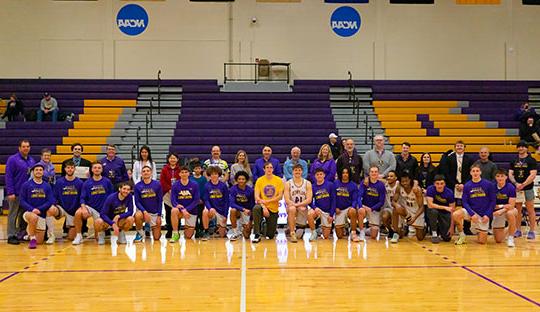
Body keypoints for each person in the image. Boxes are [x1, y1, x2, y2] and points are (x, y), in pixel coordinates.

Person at [453, 165, 496, 245]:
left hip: (483, 215)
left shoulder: (488, 184)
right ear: (470, 173)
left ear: (480, 172)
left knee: (482, 242)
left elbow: (493, 201)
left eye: (477, 171)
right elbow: (464, 202)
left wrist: (487, 215)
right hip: (471, 212)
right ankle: (462, 235)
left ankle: (479, 230)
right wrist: (472, 214)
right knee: (456, 215)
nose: (475, 173)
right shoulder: (467, 185)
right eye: (473, 171)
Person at [73, 162, 114, 245]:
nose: (97, 169)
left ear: (102, 170)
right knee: (78, 213)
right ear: (91, 169)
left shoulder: (107, 182)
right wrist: (84, 208)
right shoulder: (87, 183)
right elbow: (82, 198)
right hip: (91, 208)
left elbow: (112, 197)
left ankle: (101, 232)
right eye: (95, 168)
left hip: (104, 210)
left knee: (98, 238)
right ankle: (78, 235)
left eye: (99, 168)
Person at [19, 163, 57, 248]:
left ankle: (29, 233)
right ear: (32, 172)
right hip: (29, 213)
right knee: (33, 217)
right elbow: (22, 201)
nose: (38, 172)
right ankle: (32, 238)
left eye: (40, 170)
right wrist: (32, 209)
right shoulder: (26, 185)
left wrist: (40, 209)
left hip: (41, 213)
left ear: (43, 172)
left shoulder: (47, 185)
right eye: (36, 170)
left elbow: (50, 200)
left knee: (39, 241)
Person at [6, 140, 36, 245]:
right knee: (13, 214)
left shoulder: (32, 160)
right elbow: (9, 176)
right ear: (19, 148)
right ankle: (11, 235)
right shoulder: (12, 160)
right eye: (24, 146)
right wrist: (10, 192)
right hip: (16, 192)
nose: (26, 148)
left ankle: (21, 233)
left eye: (28, 146)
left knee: (23, 215)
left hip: (27, 194)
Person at [509, 140, 537, 240]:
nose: (521, 148)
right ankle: (518, 230)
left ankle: (532, 231)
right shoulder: (514, 160)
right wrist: (516, 184)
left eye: (523, 146)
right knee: (518, 210)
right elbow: (510, 174)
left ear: (526, 148)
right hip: (517, 189)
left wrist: (524, 184)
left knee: (530, 210)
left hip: (528, 188)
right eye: (519, 146)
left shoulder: (531, 160)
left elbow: (533, 174)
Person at [170, 166, 207, 242]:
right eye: (182, 172)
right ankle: (175, 233)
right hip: (180, 211)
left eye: (186, 172)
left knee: (189, 236)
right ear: (179, 174)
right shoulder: (175, 185)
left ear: (189, 174)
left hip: (191, 210)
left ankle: (187, 228)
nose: (184, 174)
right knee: (174, 210)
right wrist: (182, 210)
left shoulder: (194, 184)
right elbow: (173, 200)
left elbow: (196, 200)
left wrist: (186, 209)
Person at [252, 161, 284, 243]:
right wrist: (264, 207)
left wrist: (267, 201)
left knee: (270, 235)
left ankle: (263, 225)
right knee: (256, 208)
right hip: (262, 206)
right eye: (267, 167)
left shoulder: (279, 180)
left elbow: (280, 197)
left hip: (273, 208)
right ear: (264, 169)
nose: (269, 169)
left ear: (273, 169)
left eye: (271, 167)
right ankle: (257, 234)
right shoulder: (259, 180)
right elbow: (256, 197)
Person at [391, 170, 425, 243]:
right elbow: (393, 201)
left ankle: (423, 226)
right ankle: (396, 233)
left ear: (410, 180)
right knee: (396, 209)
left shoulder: (417, 189)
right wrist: (396, 205)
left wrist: (414, 218)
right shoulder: (399, 187)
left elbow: (422, 207)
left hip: (416, 212)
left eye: (406, 181)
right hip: (405, 210)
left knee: (420, 238)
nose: (405, 183)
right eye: (403, 181)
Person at [53, 161, 83, 243]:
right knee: (50, 209)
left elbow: (82, 197)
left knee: (71, 238)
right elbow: (55, 196)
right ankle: (50, 234)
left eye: (72, 168)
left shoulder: (79, 182)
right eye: (68, 167)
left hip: (73, 210)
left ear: (74, 169)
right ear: (65, 169)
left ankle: (72, 229)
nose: (70, 169)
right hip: (61, 208)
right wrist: (55, 205)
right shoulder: (59, 182)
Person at [283, 164, 313, 243]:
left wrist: (299, 205)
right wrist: (295, 205)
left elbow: (309, 199)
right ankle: (292, 232)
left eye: (299, 170)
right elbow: (286, 199)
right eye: (295, 170)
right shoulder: (288, 183)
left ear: (302, 172)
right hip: (292, 207)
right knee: (292, 209)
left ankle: (294, 227)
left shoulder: (307, 183)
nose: (297, 172)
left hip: (303, 209)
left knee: (299, 236)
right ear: (292, 171)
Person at [134, 165, 163, 242]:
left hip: (154, 213)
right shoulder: (137, 186)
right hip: (144, 213)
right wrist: (144, 212)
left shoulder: (157, 184)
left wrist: (159, 216)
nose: (146, 172)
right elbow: (137, 202)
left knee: (157, 238)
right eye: (144, 171)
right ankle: (139, 233)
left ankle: (151, 227)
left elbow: (160, 201)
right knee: (137, 215)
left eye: (147, 171)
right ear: (141, 174)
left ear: (151, 173)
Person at [439, 141, 474, 206]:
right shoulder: (449, 158)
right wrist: (455, 184)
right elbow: (447, 173)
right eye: (457, 146)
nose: (459, 147)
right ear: (455, 147)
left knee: (466, 204)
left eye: (461, 146)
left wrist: (464, 184)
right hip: (452, 185)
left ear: (464, 147)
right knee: (452, 204)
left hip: (465, 185)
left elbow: (471, 173)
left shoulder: (470, 159)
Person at [357, 166, 386, 241]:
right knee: (360, 210)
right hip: (365, 207)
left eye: (375, 172)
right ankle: (362, 232)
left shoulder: (381, 185)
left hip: (374, 209)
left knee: (373, 236)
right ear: (369, 173)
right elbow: (359, 196)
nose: (374, 173)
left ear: (378, 173)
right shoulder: (364, 182)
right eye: (372, 172)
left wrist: (372, 208)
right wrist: (361, 206)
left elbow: (381, 202)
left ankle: (368, 229)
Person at [425, 175, 455, 243]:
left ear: (444, 184)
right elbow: (430, 205)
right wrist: (444, 207)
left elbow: (452, 210)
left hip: (445, 213)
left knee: (447, 238)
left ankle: (441, 229)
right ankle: (434, 233)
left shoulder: (449, 192)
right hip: (434, 211)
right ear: (434, 184)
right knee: (433, 211)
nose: (439, 186)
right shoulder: (430, 189)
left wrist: (452, 227)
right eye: (437, 184)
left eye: (441, 183)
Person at [308, 168, 336, 241]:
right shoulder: (313, 186)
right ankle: (314, 232)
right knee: (310, 214)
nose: (319, 176)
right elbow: (310, 201)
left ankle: (319, 230)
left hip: (327, 212)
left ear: (324, 175)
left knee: (326, 236)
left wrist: (331, 215)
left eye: (321, 174)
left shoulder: (330, 185)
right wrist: (314, 208)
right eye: (317, 174)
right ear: (315, 176)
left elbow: (333, 200)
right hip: (318, 211)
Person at [493, 169, 518, 247]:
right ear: (495, 177)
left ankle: (511, 238)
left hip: (509, 210)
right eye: (498, 176)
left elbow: (511, 205)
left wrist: (501, 208)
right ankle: (511, 227)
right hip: (497, 211)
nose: (500, 178)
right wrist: (502, 206)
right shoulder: (492, 187)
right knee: (498, 240)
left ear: (506, 177)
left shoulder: (510, 187)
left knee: (510, 213)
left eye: (502, 176)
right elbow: (492, 204)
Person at [204, 166, 230, 239]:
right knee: (205, 212)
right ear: (209, 175)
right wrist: (210, 208)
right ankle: (206, 231)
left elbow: (226, 201)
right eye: (212, 174)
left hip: (221, 211)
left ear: (219, 175)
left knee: (222, 235)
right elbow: (206, 200)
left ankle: (221, 228)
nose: (214, 175)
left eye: (215, 174)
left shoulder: (223, 186)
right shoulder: (207, 185)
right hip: (212, 210)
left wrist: (225, 214)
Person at [160, 153, 181, 239]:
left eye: (174, 158)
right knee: (168, 212)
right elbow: (162, 181)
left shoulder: (180, 169)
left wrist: (176, 190)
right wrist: (169, 189)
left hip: (178, 194)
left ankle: (177, 230)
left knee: (177, 212)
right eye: (171, 158)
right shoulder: (164, 169)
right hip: (167, 194)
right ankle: (169, 230)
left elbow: (182, 180)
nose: (172, 160)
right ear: (168, 159)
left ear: (177, 159)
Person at [334, 167, 359, 241]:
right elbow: (333, 198)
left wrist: (353, 207)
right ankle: (345, 227)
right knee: (339, 236)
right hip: (339, 209)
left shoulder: (353, 185)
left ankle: (353, 233)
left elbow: (355, 199)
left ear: (349, 174)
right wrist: (335, 207)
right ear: (340, 174)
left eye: (346, 173)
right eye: (343, 173)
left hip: (348, 208)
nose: (345, 175)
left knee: (353, 211)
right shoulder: (335, 183)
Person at [229, 171, 256, 240]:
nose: (241, 181)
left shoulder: (250, 190)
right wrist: (243, 209)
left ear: (246, 180)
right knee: (232, 210)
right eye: (239, 179)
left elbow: (253, 205)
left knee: (247, 236)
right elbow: (232, 204)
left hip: (247, 212)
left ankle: (244, 227)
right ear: (236, 180)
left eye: (243, 179)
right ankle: (235, 233)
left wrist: (250, 221)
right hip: (238, 211)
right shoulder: (233, 189)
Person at [189, 160, 207, 238]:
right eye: (196, 169)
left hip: (201, 201)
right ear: (193, 170)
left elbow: (204, 189)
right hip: (193, 201)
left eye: (199, 168)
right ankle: (197, 230)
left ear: (201, 169)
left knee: (201, 215)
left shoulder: (203, 179)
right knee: (195, 216)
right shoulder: (191, 179)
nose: (197, 170)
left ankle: (202, 229)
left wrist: (202, 199)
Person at [381, 170, 399, 239]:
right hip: (388, 207)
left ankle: (400, 229)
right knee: (384, 216)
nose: (389, 177)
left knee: (400, 235)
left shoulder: (399, 185)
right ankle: (390, 230)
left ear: (396, 178)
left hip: (397, 209)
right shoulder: (385, 184)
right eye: (388, 176)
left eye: (391, 176)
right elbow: (375, 178)